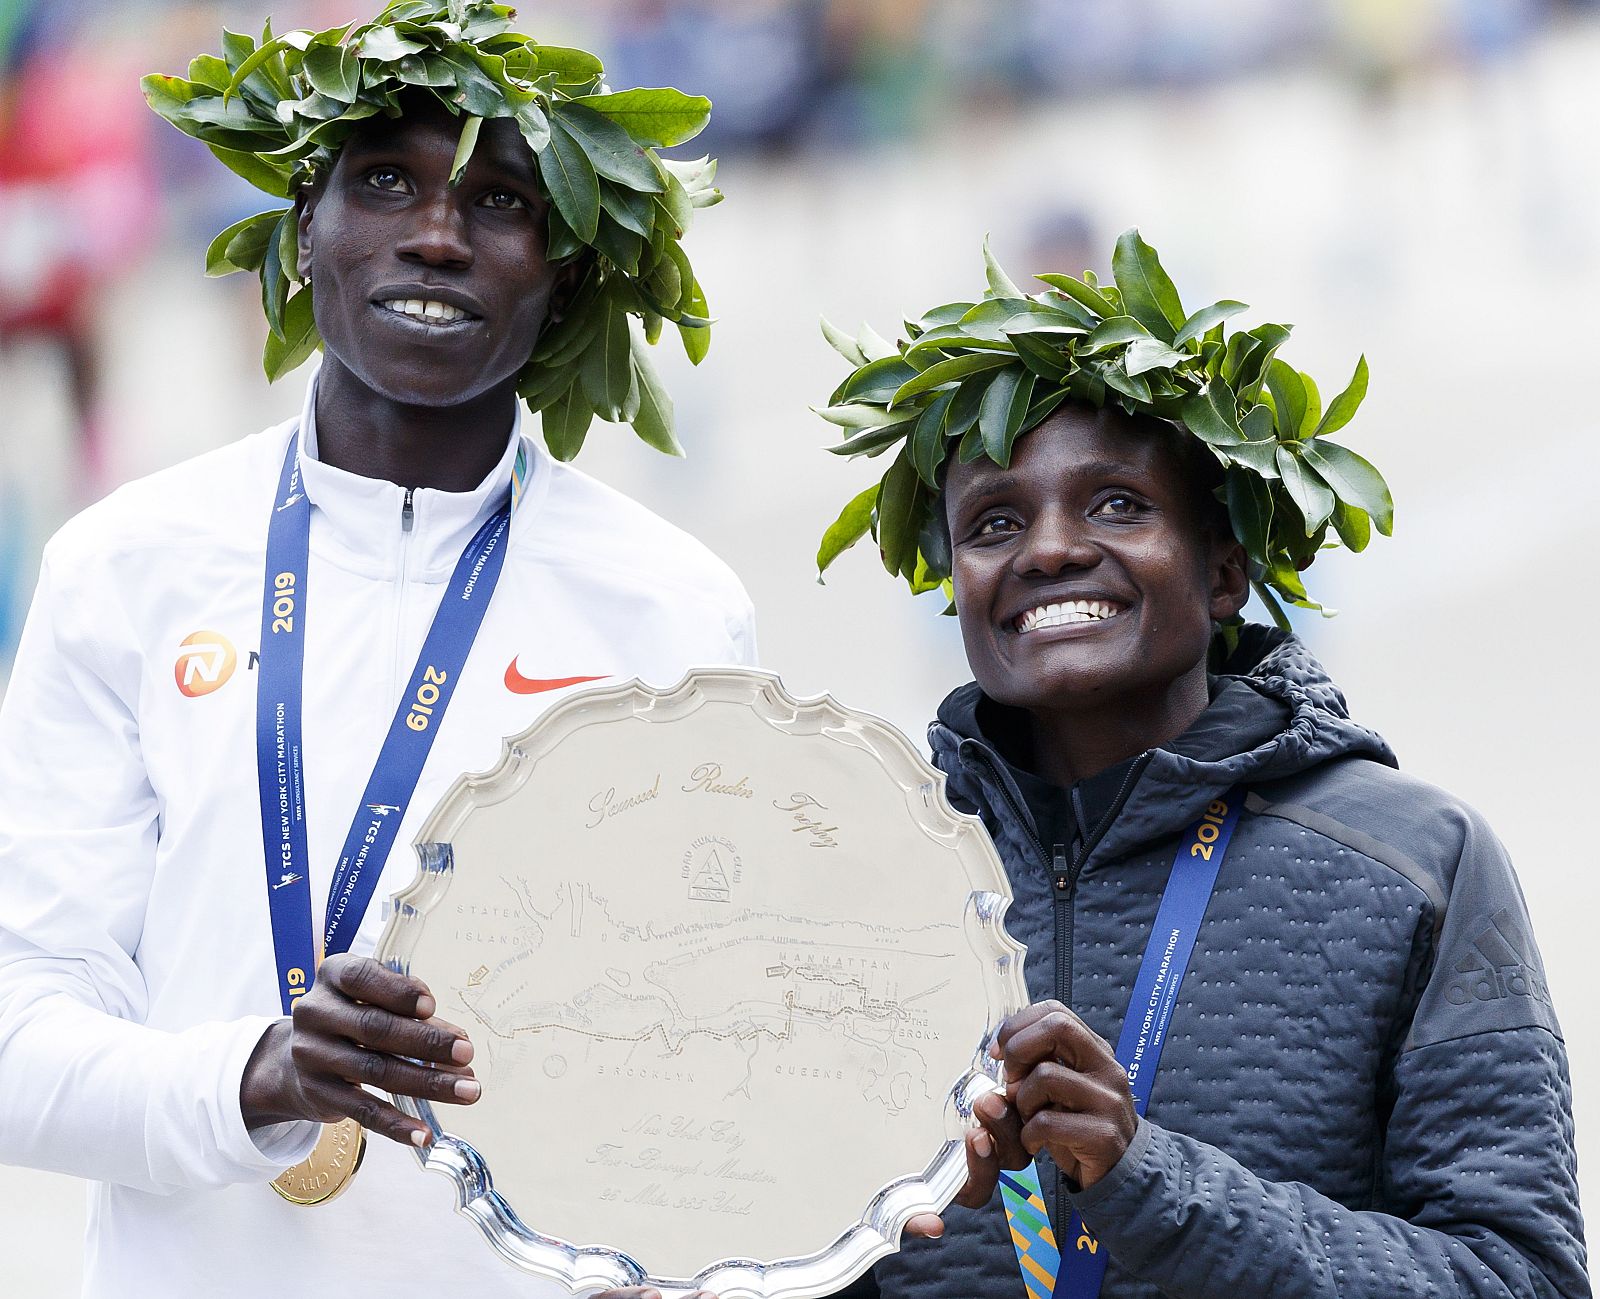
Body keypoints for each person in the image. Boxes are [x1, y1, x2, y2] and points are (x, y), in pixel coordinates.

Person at [0, 5, 746, 1297]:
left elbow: (715, 1042)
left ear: (568, 272)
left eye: (502, 200)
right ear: (304, 227)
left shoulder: (671, 608)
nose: (439, 233)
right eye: (387, 181)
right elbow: (17, 1036)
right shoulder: (123, 569)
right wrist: (258, 1075)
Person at [814, 231, 1589, 1298]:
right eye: (993, 523)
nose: (1048, 548)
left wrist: (1150, 1183)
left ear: (1224, 571)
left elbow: (1522, 1278)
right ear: (957, 588)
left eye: (1116, 504)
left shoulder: (1413, 863)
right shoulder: (858, 872)